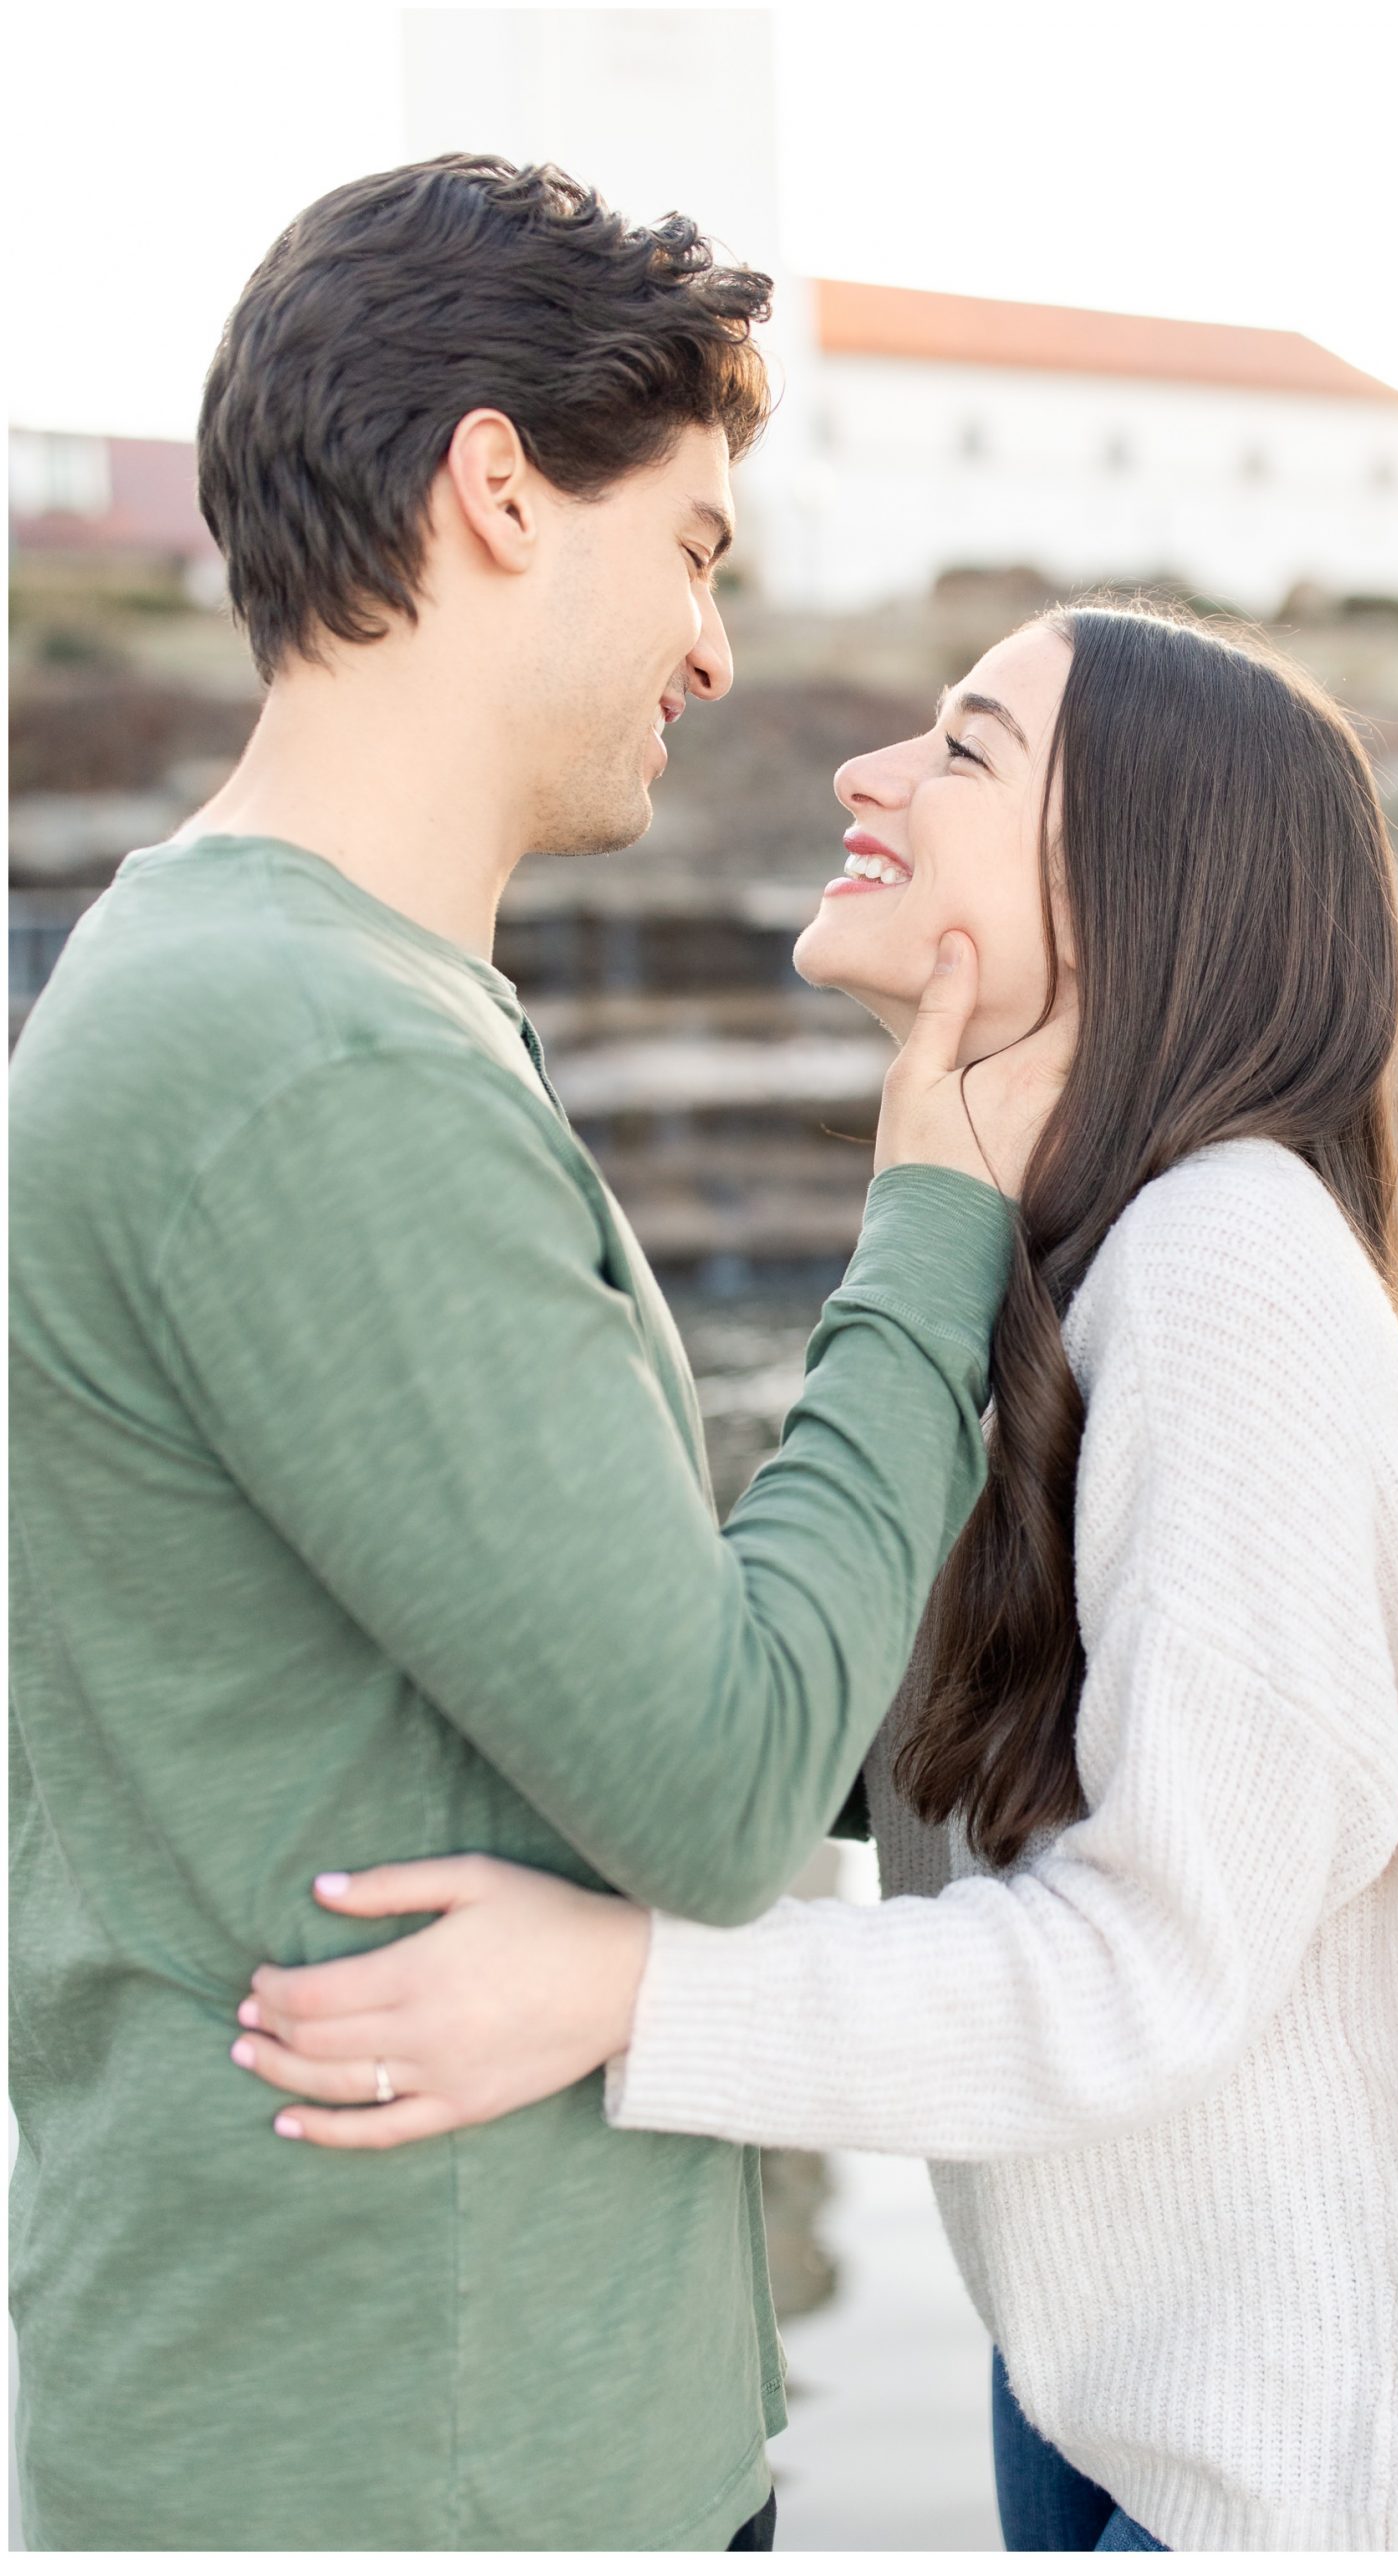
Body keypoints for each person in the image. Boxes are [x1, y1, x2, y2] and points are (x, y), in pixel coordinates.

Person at [237, 603, 1398, 2552]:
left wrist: (623, 1993)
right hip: (1115, 2397)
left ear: (1130, 881)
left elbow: (1149, 1962)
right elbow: (831, 1731)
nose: (865, 775)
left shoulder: (1226, 1269)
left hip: (1296, 2485)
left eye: (959, 751)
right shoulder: (1067, 1268)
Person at [8, 154, 1070, 2554]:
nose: (714, 650)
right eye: (693, 544)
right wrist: (938, 1199)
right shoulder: (310, 1056)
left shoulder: (281, 999)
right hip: (423, 2459)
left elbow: (557, 1705)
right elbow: (704, 1778)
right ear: (499, 488)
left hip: (400, 2416)